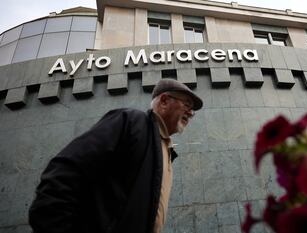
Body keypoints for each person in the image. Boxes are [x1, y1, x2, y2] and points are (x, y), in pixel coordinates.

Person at [28, 78, 203, 233]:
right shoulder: (131, 122)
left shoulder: (164, 147)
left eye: (193, 110)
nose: (191, 113)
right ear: (164, 101)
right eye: (187, 105)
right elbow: (64, 172)